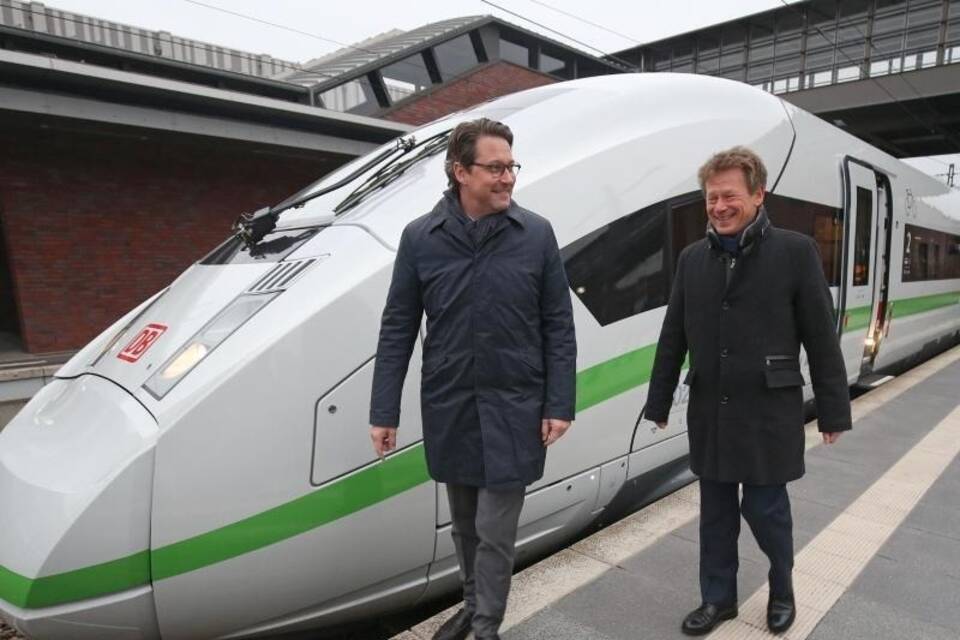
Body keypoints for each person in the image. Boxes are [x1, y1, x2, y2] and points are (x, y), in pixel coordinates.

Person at [369, 118, 577, 640]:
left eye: (512, 166)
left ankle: (484, 626)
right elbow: (398, 327)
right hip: (451, 402)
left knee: (494, 528)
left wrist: (560, 402)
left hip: (516, 404)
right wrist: (383, 412)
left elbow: (559, 324)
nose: (508, 177)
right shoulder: (421, 239)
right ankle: (470, 603)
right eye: (496, 167)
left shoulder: (536, 235)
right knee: (464, 525)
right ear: (460, 171)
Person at [644, 146, 852, 636]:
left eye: (729, 195)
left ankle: (782, 586)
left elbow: (820, 336)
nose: (718, 206)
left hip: (767, 412)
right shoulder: (693, 259)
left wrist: (833, 411)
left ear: (758, 195)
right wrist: (658, 401)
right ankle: (718, 600)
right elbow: (673, 335)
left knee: (766, 511)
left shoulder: (795, 251)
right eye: (711, 198)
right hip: (711, 411)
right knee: (715, 515)